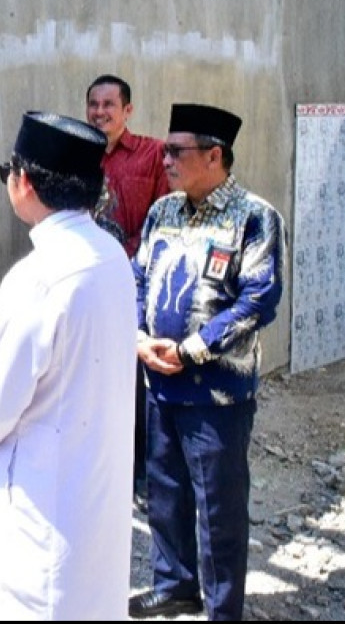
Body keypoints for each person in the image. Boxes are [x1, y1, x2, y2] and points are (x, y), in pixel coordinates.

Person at [0, 111, 138, 620]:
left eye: (9, 173)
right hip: (97, 479)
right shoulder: (111, 255)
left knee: (38, 599)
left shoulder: (38, 277)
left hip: (42, 487)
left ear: (26, 182)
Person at [130, 104, 285, 621]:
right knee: (165, 494)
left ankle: (223, 610)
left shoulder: (255, 217)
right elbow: (137, 279)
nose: (165, 158)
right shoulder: (163, 212)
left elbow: (259, 300)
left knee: (218, 509)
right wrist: (137, 337)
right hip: (160, 385)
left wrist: (192, 349)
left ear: (214, 155)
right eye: (166, 148)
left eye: (177, 151)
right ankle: (175, 584)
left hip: (218, 395)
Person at [85, 74, 171, 502]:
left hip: (138, 283)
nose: (100, 113)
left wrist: (125, 254)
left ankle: (138, 475)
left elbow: (165, 219)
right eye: (93, 105)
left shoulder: (154, 154)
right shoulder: (79, 154)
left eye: (108, 105)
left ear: (127, 110)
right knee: (92, 377)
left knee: (135, 382)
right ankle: (99, 470)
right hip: (87, 284)